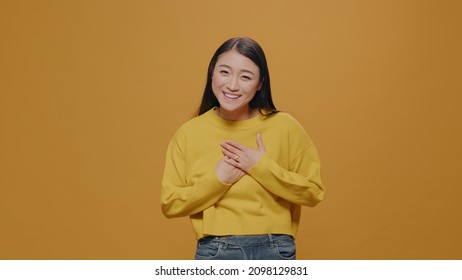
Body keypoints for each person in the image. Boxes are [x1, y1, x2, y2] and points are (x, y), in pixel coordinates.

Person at [161, 37, 325, 260]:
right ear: (212, 73)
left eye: (246, 77)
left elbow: (314, 192)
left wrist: (260, 167)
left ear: (260, 84)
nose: (232, 85)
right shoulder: (189, 133)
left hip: (275, 250)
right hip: (215, 250)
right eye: (225, 72)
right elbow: (170, 204)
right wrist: (218, 179)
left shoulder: (285, 127)